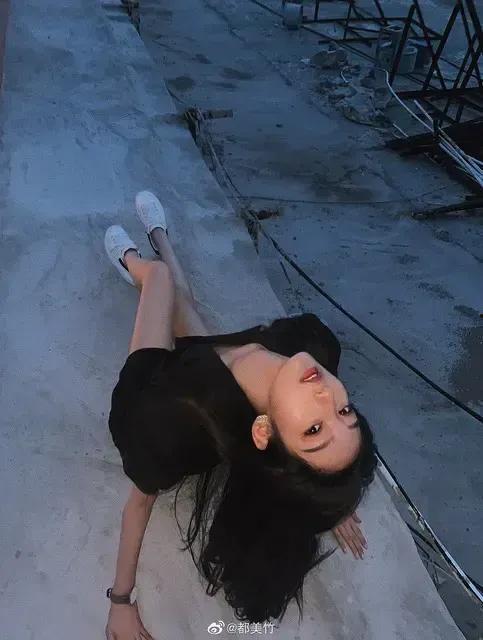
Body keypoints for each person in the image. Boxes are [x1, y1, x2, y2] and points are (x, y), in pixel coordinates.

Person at [103, 191, 379, 640]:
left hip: (152, 381)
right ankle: (161, 236)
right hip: (213, 353)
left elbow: (139, 502)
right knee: (186, 306)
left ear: (264, 429)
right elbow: (320, 434)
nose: (327, 396)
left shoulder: (180, 416)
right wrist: (329, 495)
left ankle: (135, 260)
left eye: (314, 430)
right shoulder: (315, 349)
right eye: (344, 411)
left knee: (160, 280)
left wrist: (120, 600)